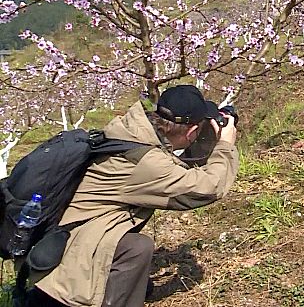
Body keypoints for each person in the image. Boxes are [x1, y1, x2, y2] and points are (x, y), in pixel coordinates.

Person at [26, 84, 239, 307]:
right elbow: (207, 187)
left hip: (58, 242)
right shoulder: (144, 162)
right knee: (137, 248)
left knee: (131, 251)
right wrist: (224, 145)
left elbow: (175, 163)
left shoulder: (131, 132)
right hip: (62, 271)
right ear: (191, 132)